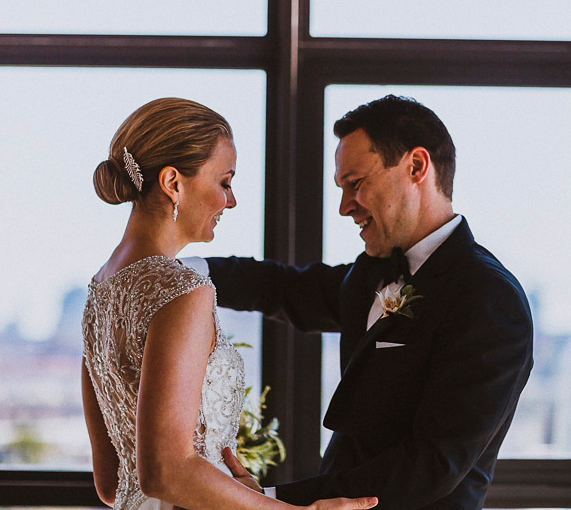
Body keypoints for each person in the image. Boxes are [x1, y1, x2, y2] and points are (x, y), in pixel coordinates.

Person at [202, 95, 535, 509]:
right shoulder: (371, 273)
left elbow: (432, 464)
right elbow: (283, 288)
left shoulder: (490, 298)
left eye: (355, 184)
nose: (345, 208)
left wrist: (266, 501)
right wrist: (180, 273)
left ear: (416, 167)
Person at [81, 97, 377, 510]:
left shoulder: (99, 292)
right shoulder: (183, 290)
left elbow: (114, 485)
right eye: (224, 182)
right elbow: (165, 472)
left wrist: (228, 490)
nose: (231, 201)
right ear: (173, 183)